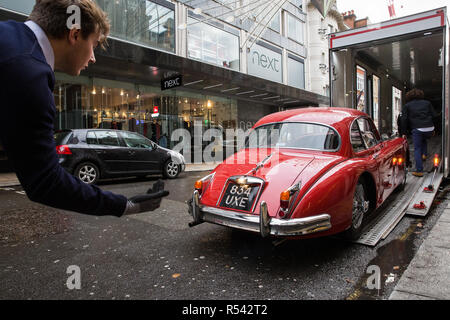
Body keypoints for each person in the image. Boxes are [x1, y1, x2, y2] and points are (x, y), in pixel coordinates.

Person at [0, 0, 168, 216]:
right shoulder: (29, 76)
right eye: (94, 44)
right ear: (75, 34)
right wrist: (126, 205)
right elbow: (45, 182)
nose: (93, 57)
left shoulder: (9, 37)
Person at [400, 88, 438, 177]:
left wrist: (403, 132)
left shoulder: (407, 105)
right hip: (429, 128)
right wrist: (433, 127)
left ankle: (419, 170)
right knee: (423, 139)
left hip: (418, 129)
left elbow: (403, 119)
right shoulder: (427, 103)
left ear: (409, 96)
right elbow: (435, 115)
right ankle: (424, 155)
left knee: (417, 149)